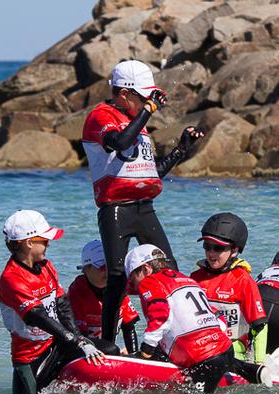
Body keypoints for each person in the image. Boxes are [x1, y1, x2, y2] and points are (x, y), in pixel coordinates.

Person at [81, 59, 204, 343]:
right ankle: (109, 342)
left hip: (144, 208)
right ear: (124, 93)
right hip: (116, 209)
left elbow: (151, 173)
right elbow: (120, 143)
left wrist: (180, 150)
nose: (148, 102)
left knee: (169, 269)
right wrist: (148, 110)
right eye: (143, 96)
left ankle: (179, 331)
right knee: (116, 275)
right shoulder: (101, 116)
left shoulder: (138, 122)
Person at [0, 210, 115, 394]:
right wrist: (76, 340)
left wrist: (80, 339)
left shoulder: (47, 266)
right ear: (29, 243)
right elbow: (39, 317)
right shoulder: (12, 279)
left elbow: (62, 305)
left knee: (110, 350)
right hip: (30, 357)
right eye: (44, 240)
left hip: (57, 345)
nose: (48, 244)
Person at [125, 244, 272, 393]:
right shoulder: (185, 279)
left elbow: (160, 316)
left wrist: (145, 352)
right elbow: (217, 316)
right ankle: (252, 370)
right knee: (220, 359)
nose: (135, 285)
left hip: (203, 359)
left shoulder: (149, 282)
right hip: (225, 349)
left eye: (133, 278)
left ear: (145, 269)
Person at [189, 213, 268, 364]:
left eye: (218, 248)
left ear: (234, 250)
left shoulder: (243, 281)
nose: (211, 253)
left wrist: (259, 364)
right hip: (199, 347)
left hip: (233, 350)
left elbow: (260, 326)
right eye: (207, 246)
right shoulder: (194, 278)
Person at [67, 239, 140, 354]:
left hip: (108, 348)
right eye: (102, 267)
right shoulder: (77, 292)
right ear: (86, 269)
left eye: (110, 267)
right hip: (84, 350)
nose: (107, 272)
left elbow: (129, 327)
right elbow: (79, 335)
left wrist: (134, 355)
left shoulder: (118, 288)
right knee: (112, 349)